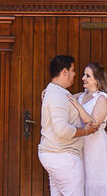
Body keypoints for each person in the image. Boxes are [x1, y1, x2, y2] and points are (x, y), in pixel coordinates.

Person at [39, 54, 99, 196]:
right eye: (72, 70)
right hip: (63, 157)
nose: (75, 74)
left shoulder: (57, 92)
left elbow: (74, 98)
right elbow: (62, 130)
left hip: (55, 155)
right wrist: (85, 131)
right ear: (64, 72)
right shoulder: (57, 94)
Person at [70, 62, 107, 196]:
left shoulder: (102, 99)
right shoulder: (82, 96)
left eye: (88, 76)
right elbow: (65, 97)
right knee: (82, 182)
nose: (83, 78)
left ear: (97, 80)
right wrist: (48, 92)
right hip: (82, 145)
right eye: (84, 75)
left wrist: (76, 105)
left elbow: (94, 123)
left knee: (97, 181)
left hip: (97, 146)